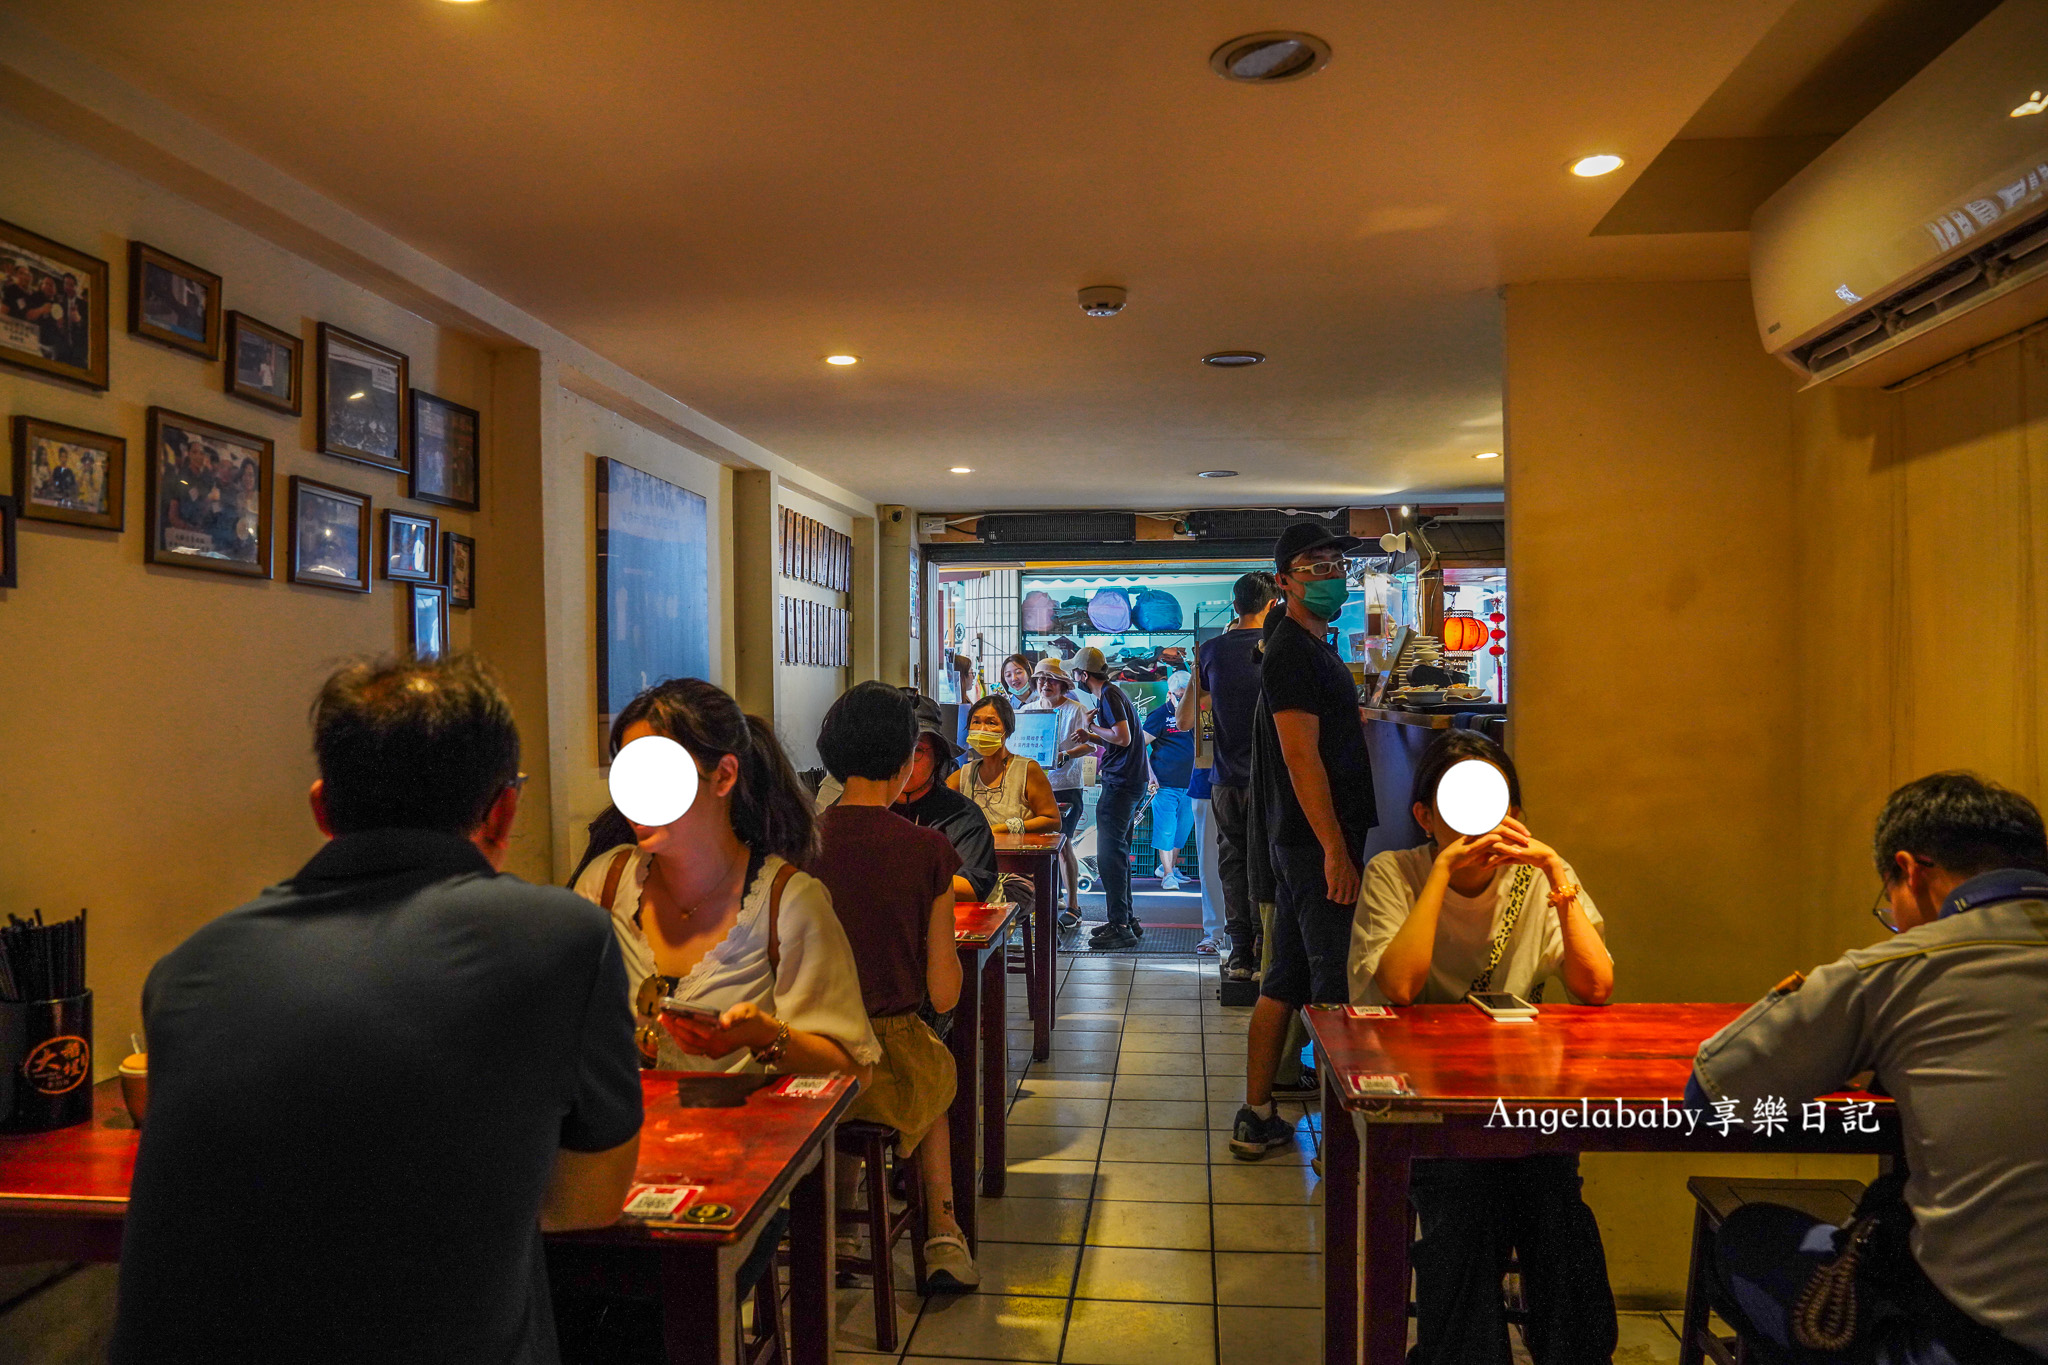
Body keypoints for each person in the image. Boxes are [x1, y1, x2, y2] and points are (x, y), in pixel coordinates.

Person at [113, 655, 644, 1364]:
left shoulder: (184, 972)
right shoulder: (562, 936)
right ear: (504, 810)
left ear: (321, 807)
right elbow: (585, 1205)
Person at [1691, 772, 2048, 1365]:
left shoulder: (1896, 970)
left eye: (1891, 905)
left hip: (1975, 1341)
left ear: (1911, 871)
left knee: (1749, 1239)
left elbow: (1711, 1098)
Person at [1348, 729, 1617, 1365]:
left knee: (1559, 1217)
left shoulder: (1544, 879)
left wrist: (1556, 873)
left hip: (1523, 1105)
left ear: (1515, 815)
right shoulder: (1397, 873)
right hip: (1430, 1109)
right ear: (1424, 816)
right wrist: (1441, 872)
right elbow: (1402, 988)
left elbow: (1596, 985)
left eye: (1496, 807)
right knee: (1461, 1217)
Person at [571, 676, 878, 1080]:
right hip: (629, 1137)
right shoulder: (606, 883)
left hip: (752, 1140)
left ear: (723, 776)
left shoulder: (789, 902)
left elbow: (854, 1070)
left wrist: (767, 1037)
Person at [812, 683, 980, 1289]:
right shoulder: (927, 850)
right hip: (886, 1057)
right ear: (908, 759)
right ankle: (941, 1232)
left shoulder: (800, 843)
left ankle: (840, 1227)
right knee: (930, 1077)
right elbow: (943, 991)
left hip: (808, 1057)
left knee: (861, 1089)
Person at [1233, 523, 1377, 1157]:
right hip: (1314, 844)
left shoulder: (1306, 646)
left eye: (1334, 563)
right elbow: (1301, 758)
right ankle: (1346, 1148)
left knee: (1282, 981)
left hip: (1303, 843)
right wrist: (1335, 851)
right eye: (1313, 566)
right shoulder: (1292, 650)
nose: (1329, 575)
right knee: (1334, 988)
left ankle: (1257, 1115)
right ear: (1284, 581)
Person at [1185, 572, 1275, 979]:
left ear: (1235, 606)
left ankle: (1239, 955)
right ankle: (1264, 952)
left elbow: (1188, 717)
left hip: (1223, 778)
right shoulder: (1277, 648)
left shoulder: (1212, 651)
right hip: (1270, 777)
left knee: (1233, 862)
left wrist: (1195, 666)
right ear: (1273, 604)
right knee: (1267, 862)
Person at [1070, 645, 1148, 949]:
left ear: (1083, 674)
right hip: (1129, 781)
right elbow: (1119, 737)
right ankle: (1126, 919)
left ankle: (1120, 926)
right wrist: (1093, 734)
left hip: (1120, 784)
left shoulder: (1110, 696)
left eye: (1075, 672)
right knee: (1117, 851)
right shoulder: (1113, 694)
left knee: (1108, 854)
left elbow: (1122, 737)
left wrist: (1092, 727)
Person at [893, 692, 1001, 907]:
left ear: (938, 757)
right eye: (895, 749)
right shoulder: (861, 808)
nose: (904, 762)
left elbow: (972, 886)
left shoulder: (962, 815)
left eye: (917, 750)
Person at [1022, 656, 1091, 929]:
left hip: (1066, 788)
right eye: (1040, 679)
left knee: (1062, 846)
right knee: (1034, 849)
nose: (1044, 684)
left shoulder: (1076, 710)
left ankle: (1074, 906)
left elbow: (1088, 746)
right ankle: (1044, 901)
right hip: (1035, 790)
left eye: (1050, 680)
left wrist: (1066, 755)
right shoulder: (1028, 711)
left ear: (1062, 684)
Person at [953, 694, 1061, 836]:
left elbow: (1053, 821)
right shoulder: (964, 774)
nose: (982, 729)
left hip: (1016, 856)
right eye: (976, 722)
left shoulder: (1027, 770)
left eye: (991, 723)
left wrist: (1004, 828)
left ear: (1007, 729)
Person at [1143, 671, 1197, 891]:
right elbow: (1139, 745)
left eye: (1186, 696)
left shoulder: (1197, 714)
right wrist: (1150, 775)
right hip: (1164, 784)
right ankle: (1167, 874)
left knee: (1181, 831)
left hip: (1192, 785)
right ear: (1170, 694)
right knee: (1166, 829)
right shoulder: (1160, 715)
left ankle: (1170, 867)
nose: (1181, 700)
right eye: (1178, 696)